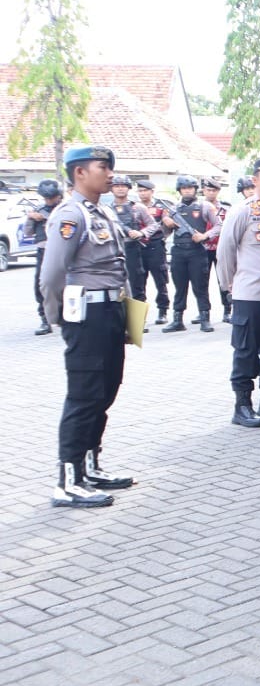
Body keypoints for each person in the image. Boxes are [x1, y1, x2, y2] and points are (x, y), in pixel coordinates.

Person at [40, 144, 139, 508]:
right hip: (86, 315)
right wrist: (59, 317)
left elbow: (118, 269)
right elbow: (51, 275)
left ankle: (91, 466)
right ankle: (68, 481)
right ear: (79, 172)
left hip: (111, 313)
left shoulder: (103, 213)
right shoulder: (70, 215)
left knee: (106, 391)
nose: (111, 174)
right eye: (103, 167)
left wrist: (129, 318)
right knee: (84, 396)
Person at [217, 157, 260, 429]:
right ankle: (242, 404)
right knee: (246, 351)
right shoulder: (243, 211)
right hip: (250, 295)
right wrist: (229, 285)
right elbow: (225, 251)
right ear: (254, 180)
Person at [160, 174, 220, 333]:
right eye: (184, 188)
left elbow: (219, 225)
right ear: (179, 190)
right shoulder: (173, 209)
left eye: (190, 188)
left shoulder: (204, 206)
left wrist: (205, 236)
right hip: (179, 251)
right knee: (179, 287)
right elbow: (164, 233)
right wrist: (166, 223)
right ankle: (177, 319)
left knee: (200, 286)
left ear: (195, 189)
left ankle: (205, 319)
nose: (187, 191)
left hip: (197, 251)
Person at [107, 175, 154, 316]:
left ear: (128, 188)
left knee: (136, 285)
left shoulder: (137, 207)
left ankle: (138, 320)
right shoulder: (106, 209)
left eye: (123, 186)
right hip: (113, 250)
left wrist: (141, 233)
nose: (120, 189)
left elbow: (153, 224)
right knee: (114, 285)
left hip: (132, 248)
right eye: (117, 186)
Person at [26, 178, 65, 334]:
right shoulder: (38, 210)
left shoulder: (65, 209)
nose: (49, 201)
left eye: (52, 197)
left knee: (67, 285)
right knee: (41, 285)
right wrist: (31, 218)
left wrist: (45, 218)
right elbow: (28, 232)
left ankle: (67, 316)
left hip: (63, 251)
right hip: (43, 251)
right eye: (46, 198)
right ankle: (45, 320)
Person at [135, 180, 173, 323]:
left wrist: (163, 236)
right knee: (138, 282)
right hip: (138, 247)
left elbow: (167, 223)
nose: (143, 193)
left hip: (155, 247)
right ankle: (140, 317)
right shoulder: (134, 207)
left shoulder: (160, 206)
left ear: (152, 191)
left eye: (145, 190)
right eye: (140, 191)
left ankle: (163, 311)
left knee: (160, 280)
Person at [202, 178, 232, 321]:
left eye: (214, 190)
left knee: (223, 280)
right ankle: (203, 311)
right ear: (203, 191)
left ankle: (227, 310)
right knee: (202, 281)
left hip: (220, 248)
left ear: (218, 191)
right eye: (208, 190)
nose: (211, 193)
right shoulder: (198, 207)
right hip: (203, 249)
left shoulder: (225, 209)